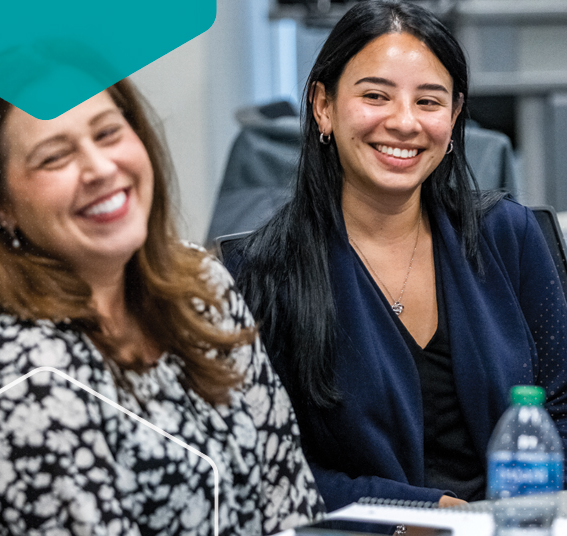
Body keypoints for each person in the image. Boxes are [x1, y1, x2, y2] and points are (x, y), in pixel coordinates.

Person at [0, 76, 324, 536]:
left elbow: (290, 497)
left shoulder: (200, 286)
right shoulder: (0, 362)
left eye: (108, 133)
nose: (100, 167)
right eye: (55, 156)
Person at [234, 0, 567, 512]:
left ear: (455, 118)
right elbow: (271, 466)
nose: (404, 122)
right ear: (323, 106)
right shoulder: (265, 274)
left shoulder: (509, 237)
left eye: (430, 102)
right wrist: (425, 512)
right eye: (375, 96)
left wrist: (522, 509)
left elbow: (561, 406)